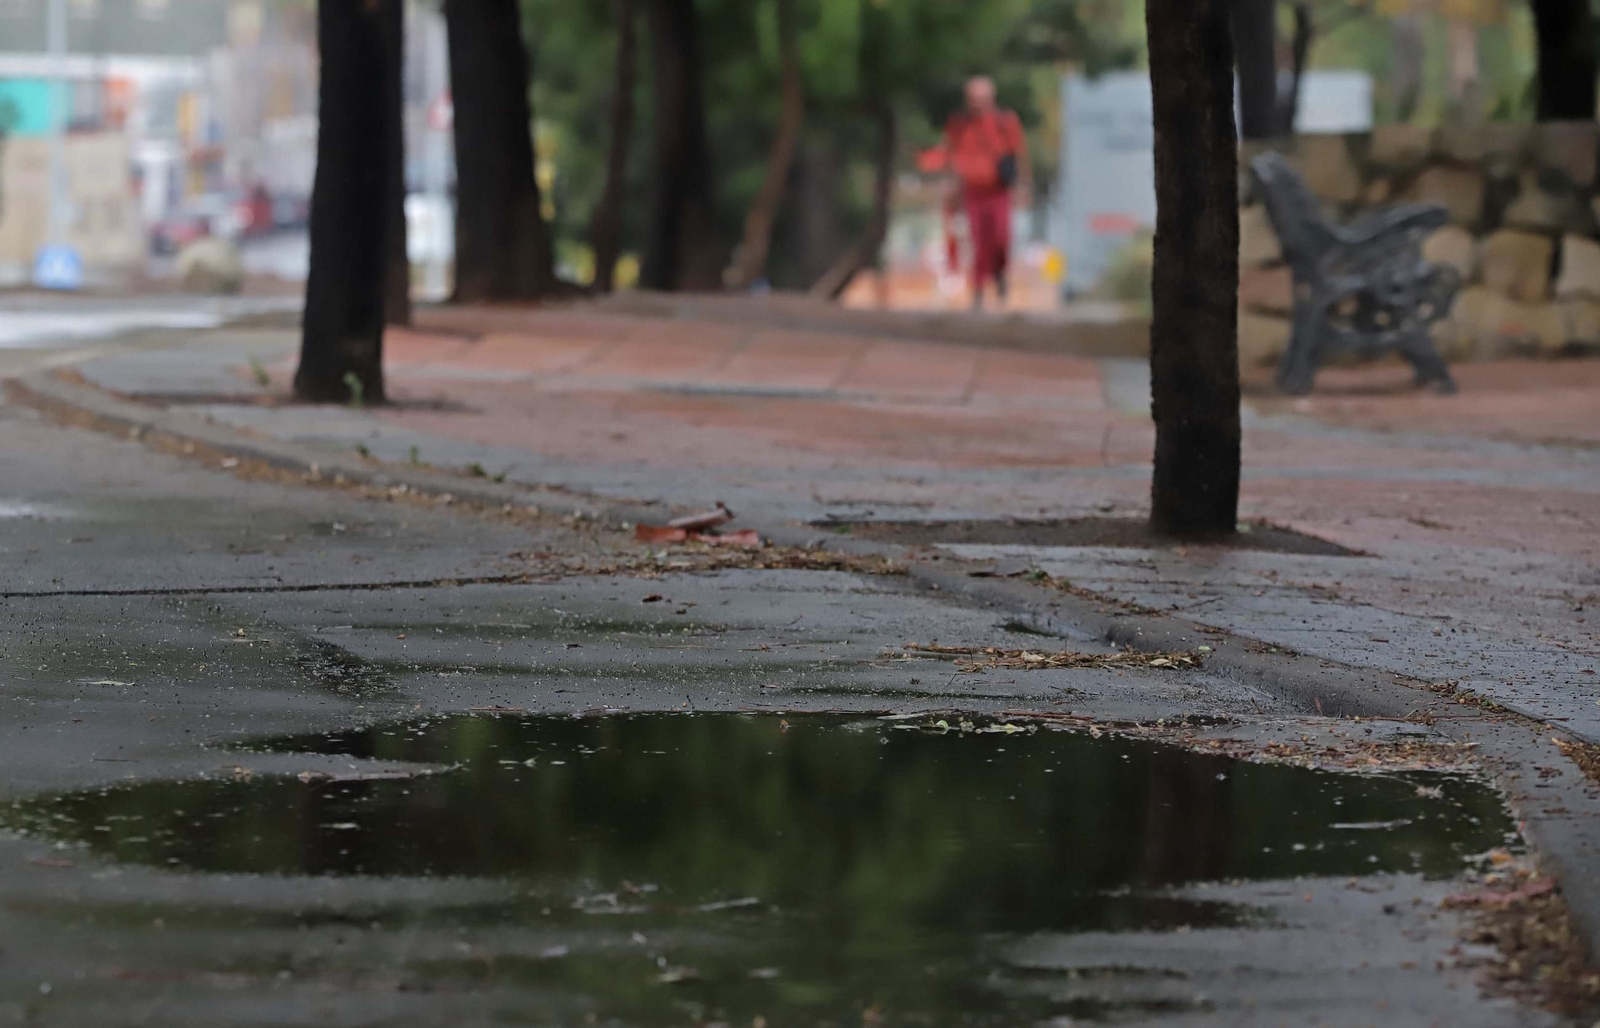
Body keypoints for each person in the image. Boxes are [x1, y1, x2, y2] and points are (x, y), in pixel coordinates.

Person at [920, 77, 1029, 310]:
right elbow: (949, 153)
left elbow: (1018, 153)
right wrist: (949, 185)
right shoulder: (959, 124)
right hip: (971, 191)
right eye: (972, 99)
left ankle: (999, 274)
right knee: (978, 242)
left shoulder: (1005, 122)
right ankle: (978, 289)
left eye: (980, 99)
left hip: (998, 191)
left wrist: (1021, 186)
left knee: (1001, 238)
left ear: (991, 99)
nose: (975, 104)